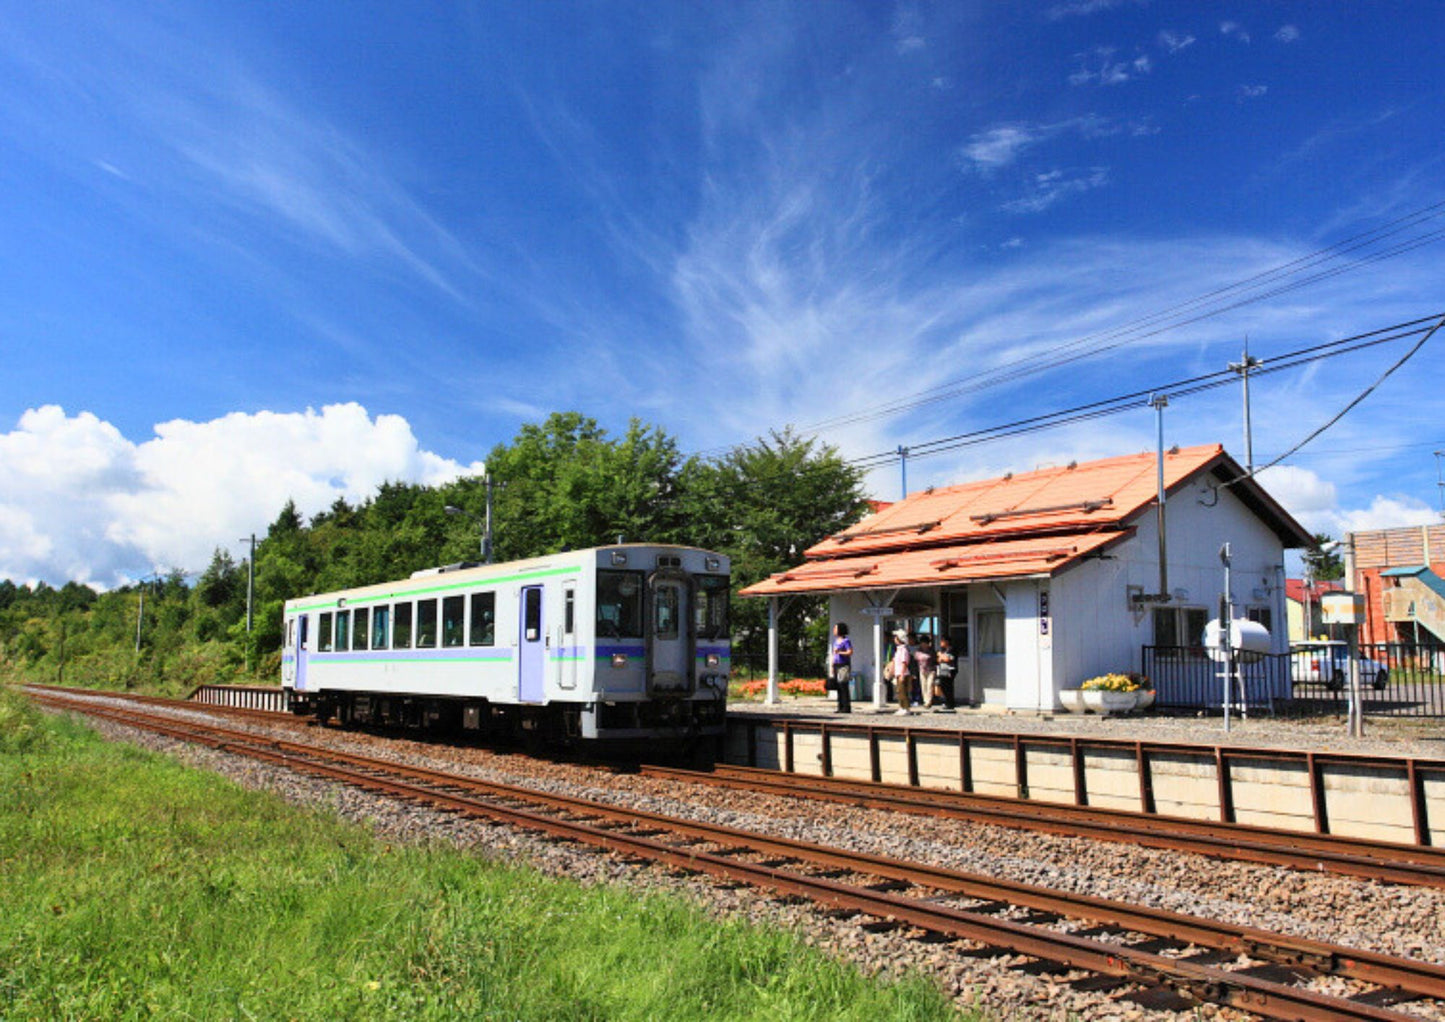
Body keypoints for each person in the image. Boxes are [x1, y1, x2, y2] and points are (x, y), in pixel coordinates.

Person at [830, 622, 853, 713]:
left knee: (843, 685)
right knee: (838, 686)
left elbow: (850, 652)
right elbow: (833, 654)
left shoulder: (846, 641)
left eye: (835, 628)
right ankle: (840, 706)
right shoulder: (835, 641)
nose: (834, 630)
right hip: (836, 664)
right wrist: (832, 665)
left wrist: (840, 652)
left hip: (843, 665)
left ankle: (846, 706)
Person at [891, 629, 914, 715]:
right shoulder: (898, 649)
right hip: (898, 673)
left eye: (896, 637)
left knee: (903, 691)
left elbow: (904, 662)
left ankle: (906, 708)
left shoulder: (904, 650)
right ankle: (901, 707)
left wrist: (902, 674)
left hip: (903, 673)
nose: (894, 639)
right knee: (899, 691)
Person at [933, 636, 958, 712]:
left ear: (946, 642)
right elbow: (939, 660)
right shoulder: (944, 650)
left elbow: (947, 659)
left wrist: (941, 655)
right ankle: (947, 701)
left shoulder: (951, 650)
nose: (941, 643)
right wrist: (941, 657)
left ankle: (950, 703)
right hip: (943, 671)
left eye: (942, 641)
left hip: (950, 670)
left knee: (948, 687)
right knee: (943, 686)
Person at [914, 633, 937, 709]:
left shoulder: (932, 651)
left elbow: (935, 659)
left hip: (931, 670)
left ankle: (929, 701)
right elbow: (916, 658)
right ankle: (925, 701)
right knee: (923, 686)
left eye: (925, 643)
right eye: (922, 643)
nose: (923, 645)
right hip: (922, 670)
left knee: (930, 685)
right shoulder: (918, 651)